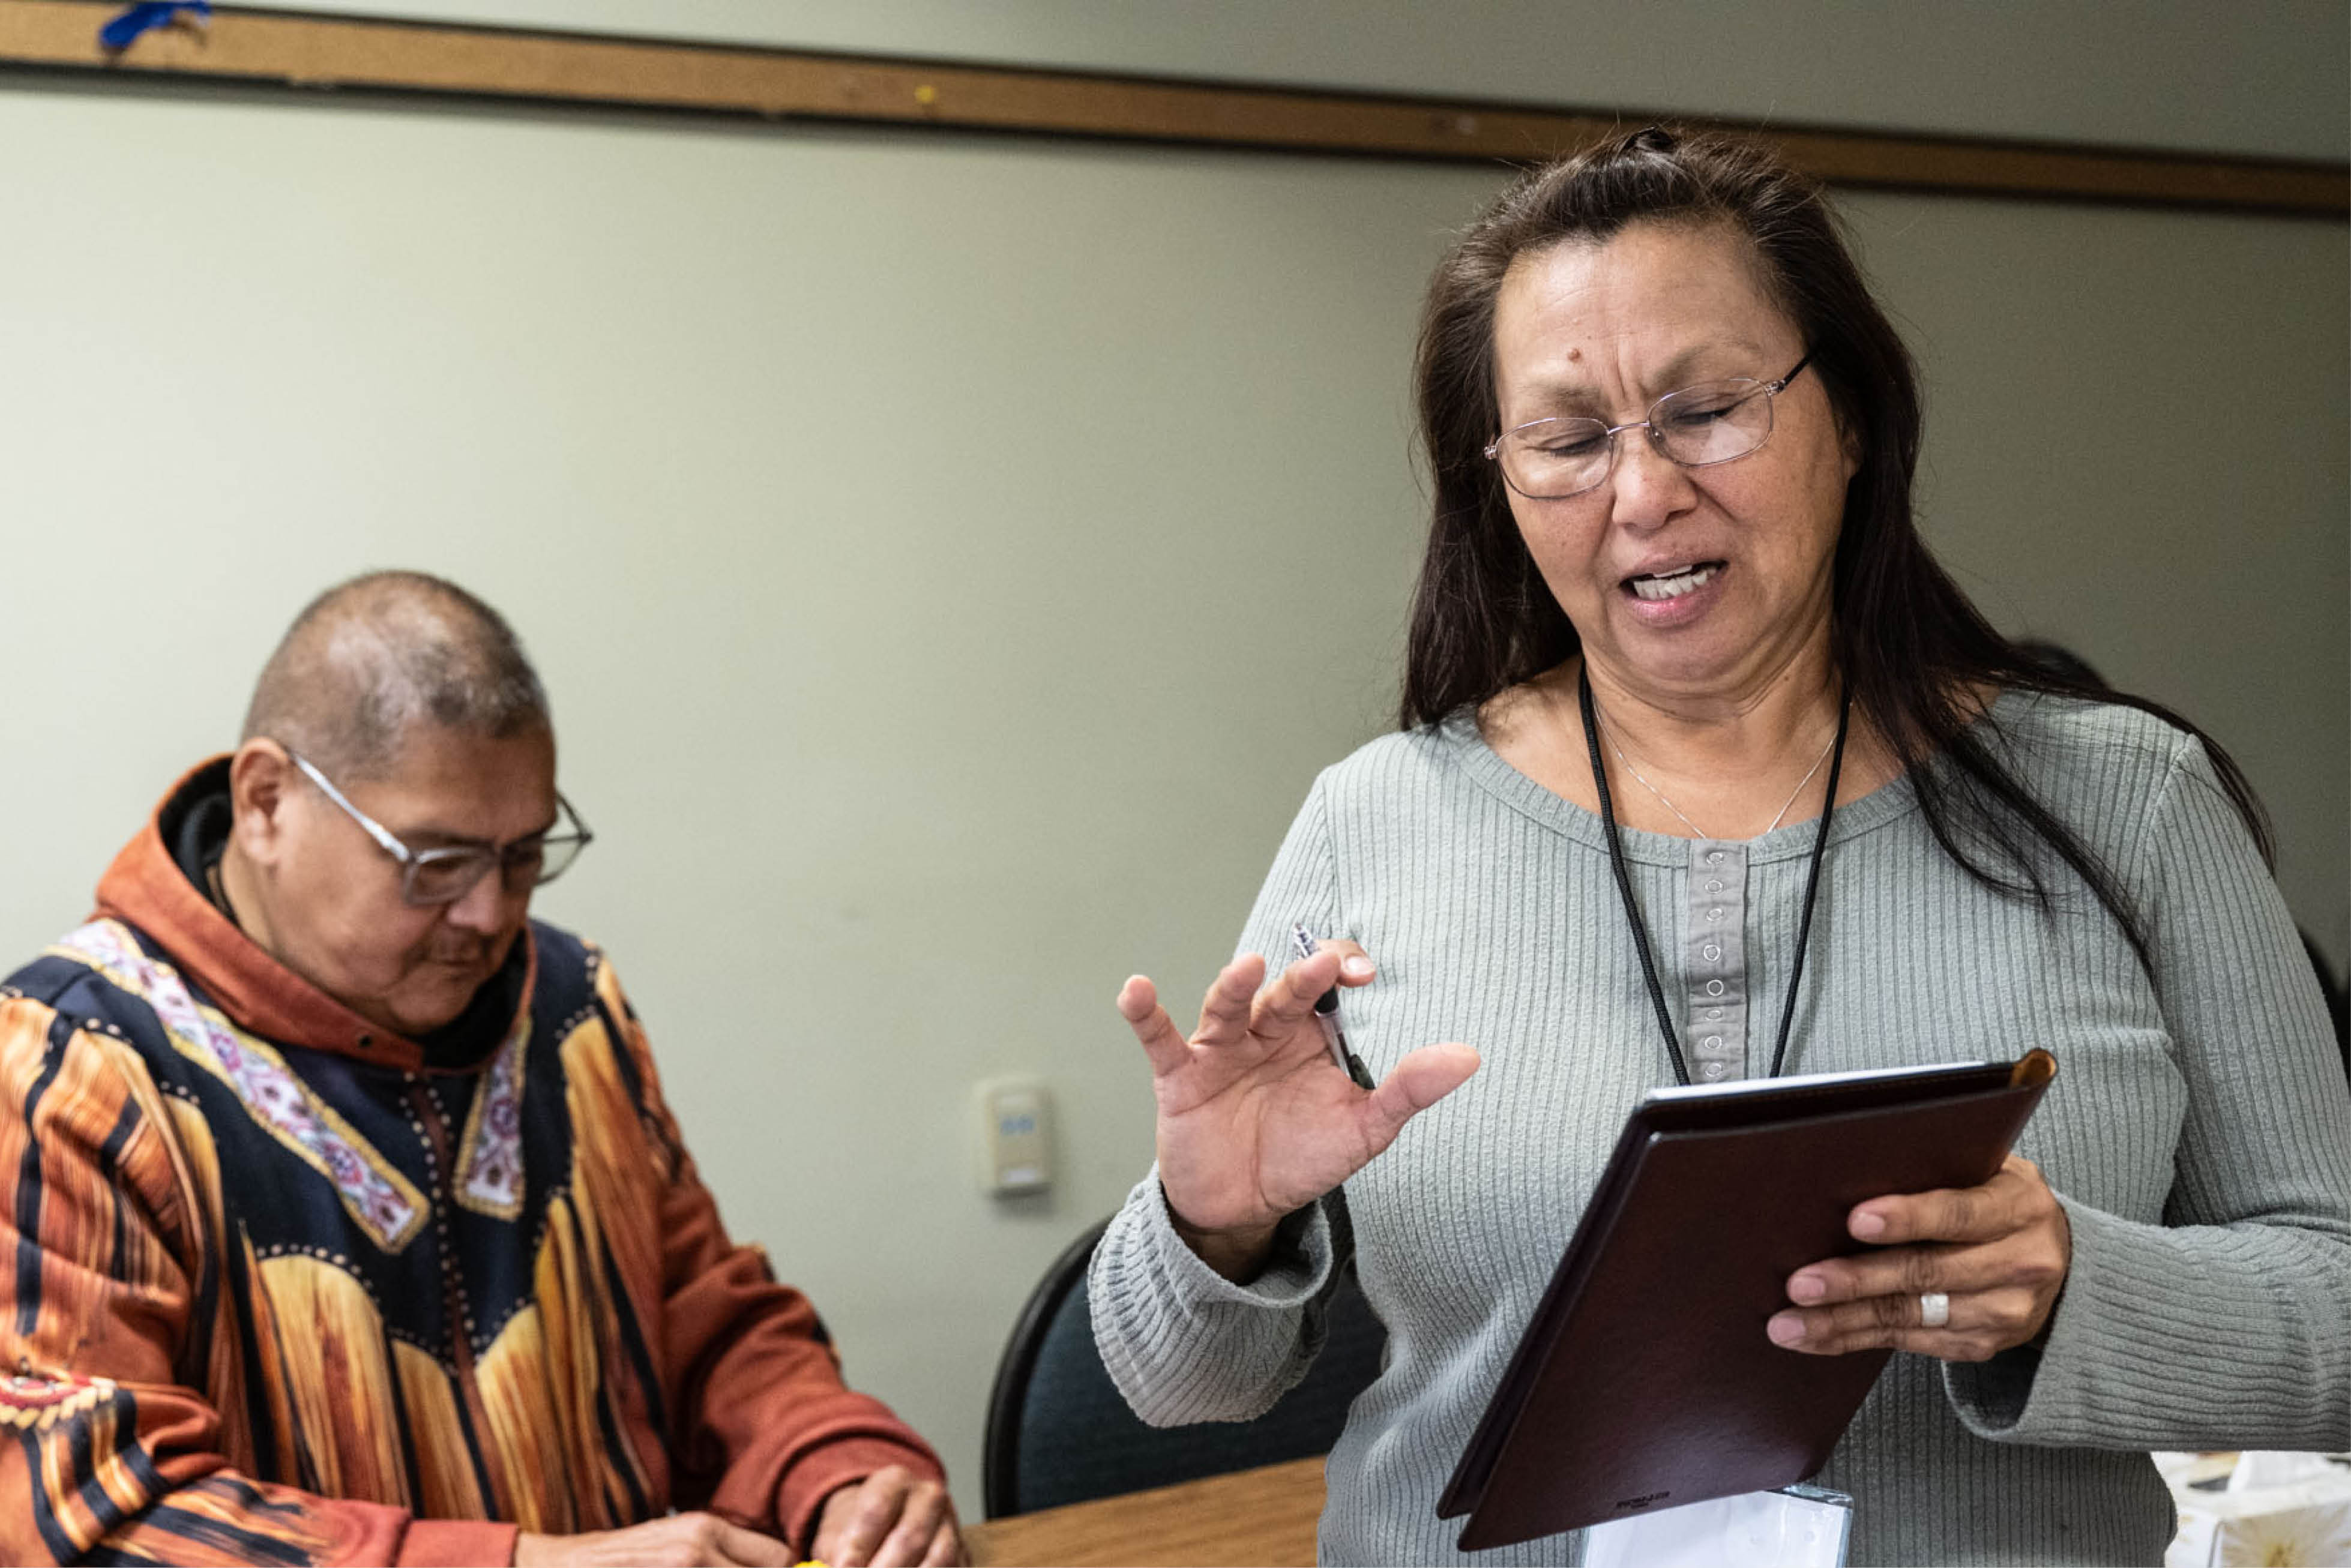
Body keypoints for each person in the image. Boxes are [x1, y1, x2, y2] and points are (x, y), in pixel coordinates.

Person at [1089, 128, 2351, 1565]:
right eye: (1568, 439)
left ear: (1853, 416)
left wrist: (2077, 1286)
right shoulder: (1379, 815)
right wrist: (1212, 1219)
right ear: (1498, 479)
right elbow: (1178, 1381)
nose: (1642, 494)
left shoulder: (2132, 802)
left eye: (1707, 408)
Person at [0, 572, 963, 1567]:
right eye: (435, 862)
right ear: (266, 802)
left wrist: (836, 1467)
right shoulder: (63, 1074)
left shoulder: (568, 1003)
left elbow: (702, 1324)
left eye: (523, 856)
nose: (488, 914)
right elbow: (88, 1520)